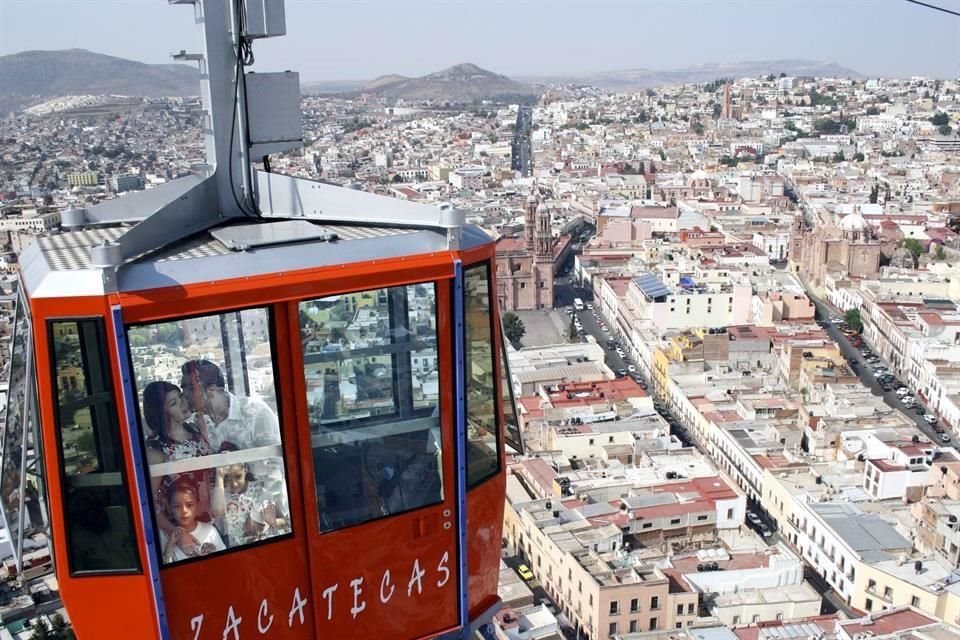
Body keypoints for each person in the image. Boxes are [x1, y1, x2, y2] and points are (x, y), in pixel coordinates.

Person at [142, 381, 213, 538]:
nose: (183, 403)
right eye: (174, 403)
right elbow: (148, 501)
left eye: (181, 397)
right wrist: (176, 534)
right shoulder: (157, 449)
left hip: (210, 522)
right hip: (182, 531)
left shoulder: (195, 430)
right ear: (162, 413)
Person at [180, 360, 280, 453]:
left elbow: (275, 463)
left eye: (191, 389)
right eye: (183, 389)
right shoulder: (197, 422)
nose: (185, 395)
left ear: (211, 389)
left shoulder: (256, 412)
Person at [211, 455, 290, 548]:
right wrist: (219, 476)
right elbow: (218, 512)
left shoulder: (260, 489)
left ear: (245, 470)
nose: (234, 484)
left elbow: (286, 522)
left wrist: (273, 522)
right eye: (227, 478)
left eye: (238, 476)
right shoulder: (221, 494)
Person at [160, 481, 224, 564]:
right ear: (169, 508)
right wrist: (170, 545)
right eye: (177, 506)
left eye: (189, 505)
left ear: (198, 506)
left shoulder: (210, 531)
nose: (184, 511)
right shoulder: (164, 536)